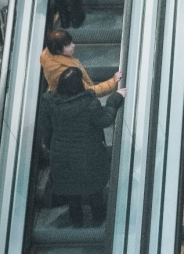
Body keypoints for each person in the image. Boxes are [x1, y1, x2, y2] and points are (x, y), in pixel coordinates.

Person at [39, 67, 126, 227]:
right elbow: (105, 120)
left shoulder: (50, 103)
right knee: (94, 187)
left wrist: (52, 145)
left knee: (72, 188)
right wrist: (114, 99)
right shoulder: (89, 104)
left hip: (62, 155)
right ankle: (98, 217)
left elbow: (46, 127)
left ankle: (76, 220)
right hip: (89, 154)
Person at [40, 30, 121, 98]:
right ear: (58, 50)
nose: (73, 45)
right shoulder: (65, 73)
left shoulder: (48, 55)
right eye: (68, 45)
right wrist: (113, 82)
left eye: (71, 42)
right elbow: (88, 92)